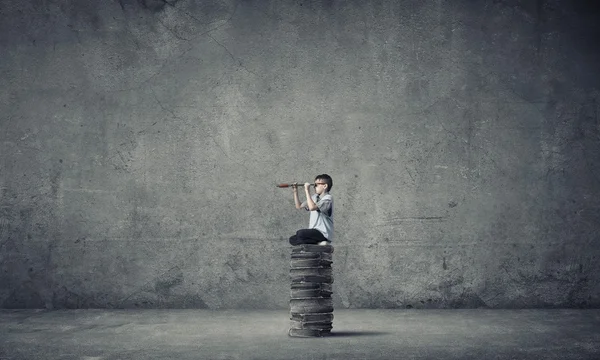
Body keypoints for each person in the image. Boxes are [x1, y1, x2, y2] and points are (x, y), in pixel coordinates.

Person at [289, 174, 334, 246]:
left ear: (325, 186)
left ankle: (322, 242)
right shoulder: (314, 197)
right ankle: (318, 243)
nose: (314, 187)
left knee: (300, 233)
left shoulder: (328, 198)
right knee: (292, 239)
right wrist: (295, 191)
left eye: (316, 185)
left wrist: (307, 190)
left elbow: (312, 207)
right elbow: (299, 206)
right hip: (314, 232)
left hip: (323, 233)